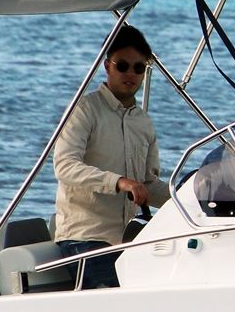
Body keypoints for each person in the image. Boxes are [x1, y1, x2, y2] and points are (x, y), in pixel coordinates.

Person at [53, 25, 170, 288]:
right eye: (123, 65)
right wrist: (119, 182)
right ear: (107, 66)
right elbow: (65, 166)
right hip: (85, 237)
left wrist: (189, 199)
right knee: (117, 300)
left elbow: (147, 186)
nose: (131, 73)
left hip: (130, 240)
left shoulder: (144, 122)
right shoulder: (84, 110)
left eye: (139, 68)